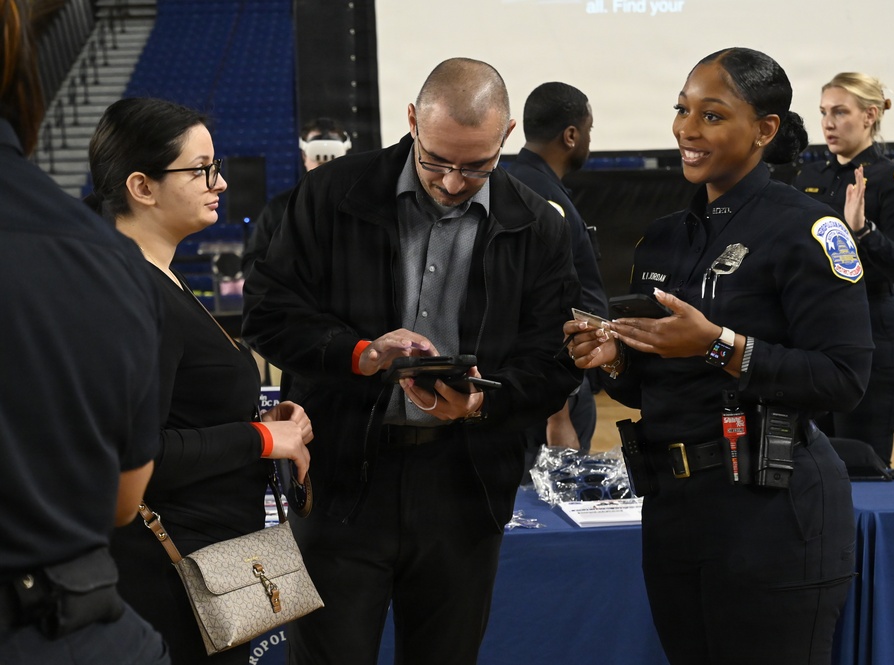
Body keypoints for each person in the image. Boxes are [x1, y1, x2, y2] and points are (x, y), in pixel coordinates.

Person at [241, 57, 581, 665]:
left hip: (465, 486)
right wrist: (362, 354)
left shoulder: (537, 227)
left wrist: (483, 400)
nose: (452, 182)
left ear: (505, 137)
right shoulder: (329, 196)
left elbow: (553, 362)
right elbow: (268, 315)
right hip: (341, 483)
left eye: (476, 167)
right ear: (411, 124)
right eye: (436, 161)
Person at [564, 47, 873, 664]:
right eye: (682, 111)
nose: (686, 129)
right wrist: (618, 362)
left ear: (764, 129)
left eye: (711, 115)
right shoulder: (665, 238)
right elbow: (656, 387)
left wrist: (723, 347)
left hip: (773, 514)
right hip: (675, 513)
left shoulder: (808, 229)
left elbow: (844, 378)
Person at [86, 97, 314, 665]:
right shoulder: (133, 290)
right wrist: (264, 440)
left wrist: (258, 427)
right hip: (170, 572)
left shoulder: (155, 274)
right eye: (200, 169)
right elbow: (140, 454)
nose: (218, 182)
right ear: (142, 186)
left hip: (207, 556)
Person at [0, 1, 168, 662]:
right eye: (199, 168)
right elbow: (123, 497)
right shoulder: (105, 256)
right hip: (70, 628)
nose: (216, 185)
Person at [794, 72, 894, 466]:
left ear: (870, 115)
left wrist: (863, 231)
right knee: (811, 465)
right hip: (816, 337)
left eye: (840, 112)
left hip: (874, 334)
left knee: (861, 464)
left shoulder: (892, 179)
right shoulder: (810, 177)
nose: (828, 123)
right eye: (823, 113)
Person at [505, 81, 608, 461]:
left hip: (546, 386)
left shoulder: (521, 183)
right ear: (570, 135)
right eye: (588, 131)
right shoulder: (541, 200)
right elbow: (543, 306)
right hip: (551, 394)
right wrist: (557, 413)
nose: (588, 141)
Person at [241, 117, 352, 274]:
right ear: (304, 156)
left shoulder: (363, 205)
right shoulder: (279, 208)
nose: (325, 165)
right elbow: (250, 266)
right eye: (318, 157)